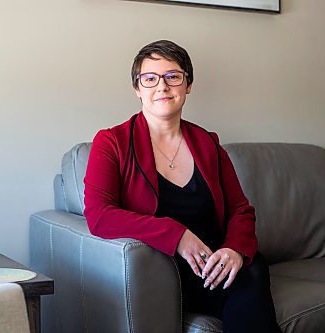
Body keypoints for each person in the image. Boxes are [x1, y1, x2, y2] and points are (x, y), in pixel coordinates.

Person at [83, 40, 280, 333]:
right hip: (165, 270)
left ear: (187, 85)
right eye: (149, 79)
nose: (162, 87)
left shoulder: (208, 143)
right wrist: (177, 235)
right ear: (137, 89)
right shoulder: (112, 142)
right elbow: (99, 216)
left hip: (219, 264)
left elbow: (241, 209)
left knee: (250, 273)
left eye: (173, 76)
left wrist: (234, 250)